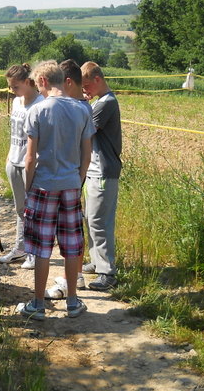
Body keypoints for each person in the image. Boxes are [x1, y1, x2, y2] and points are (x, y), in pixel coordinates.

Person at [15, 60, 94, 320]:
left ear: (43, 81)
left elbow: (30, 158)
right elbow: (86, 155)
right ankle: (72, 301)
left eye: (38, 85)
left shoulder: (37, 110)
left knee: (41, 246)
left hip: (43, 185)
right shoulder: (82, 109)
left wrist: (28, 188)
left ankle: (38, 305)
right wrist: (77, 181)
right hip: (71, 184)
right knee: (71, 244)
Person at [45, 59, 93, 299]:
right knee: (69, 230)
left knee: (69, 232)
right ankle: (75, 276)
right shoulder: (79, 105)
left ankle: (69, 280)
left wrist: (79, 177)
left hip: (71, 177)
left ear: (68, 82)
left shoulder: (80, 107)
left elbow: (85, 151)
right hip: (73, 176)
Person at [81, 61, 122, 291]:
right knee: (90, 217)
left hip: (104, 171)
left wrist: (81, 105)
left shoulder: (106, 103)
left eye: (87, 86)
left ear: (97, 79)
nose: (85, 90)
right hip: (94, 170)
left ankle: (107, 272)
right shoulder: (98, 102)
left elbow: (85, 131)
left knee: (100, 221)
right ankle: (96, 261)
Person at [0, 63, 44, 270]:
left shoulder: (41, 104)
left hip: (31, 163)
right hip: (13, 161)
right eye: (10, 86)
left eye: (15, 86)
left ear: (27, 82)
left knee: (33, 209)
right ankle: (20, 248)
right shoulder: (16, 102)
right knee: (20, 209)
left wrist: (32, 162)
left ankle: (34, 252)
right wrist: (10, 157)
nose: (12, 90)